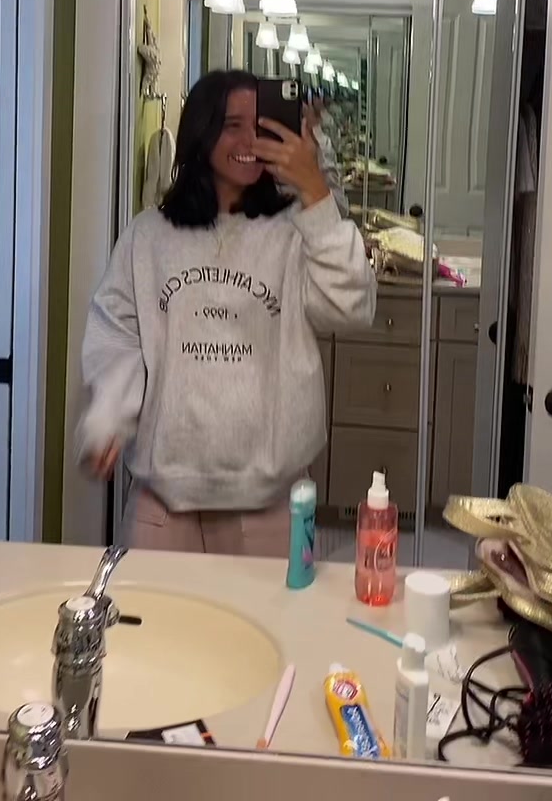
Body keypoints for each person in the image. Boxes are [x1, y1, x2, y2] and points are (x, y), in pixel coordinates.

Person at [78, 69, 376, 557]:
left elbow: (352, 310)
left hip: (269, 503)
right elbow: (118, 334)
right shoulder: (147, 236)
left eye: (260, 125)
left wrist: (316, 193)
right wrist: (110, 411)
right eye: (231, 125)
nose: (249, 141)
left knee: (271, 612)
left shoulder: (297, 233)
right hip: (163, 502)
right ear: (201, 132)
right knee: (152, 611)